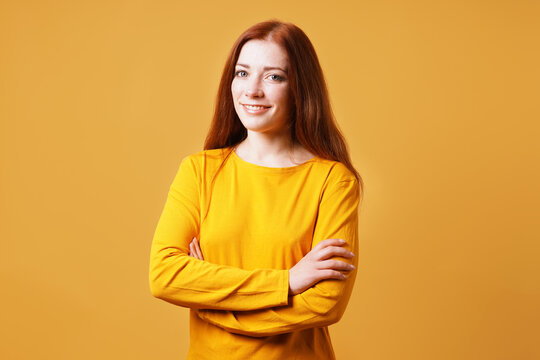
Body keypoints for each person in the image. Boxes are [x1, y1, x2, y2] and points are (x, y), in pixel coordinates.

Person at [149, 19, 364, 360]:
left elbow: (325, 305)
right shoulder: (199, 171)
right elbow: (164, 274)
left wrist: (212, 305)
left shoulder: (333, 182)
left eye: (274, 76)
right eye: (242, 73)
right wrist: (288, 283)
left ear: (300, 88)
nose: (252, 90)